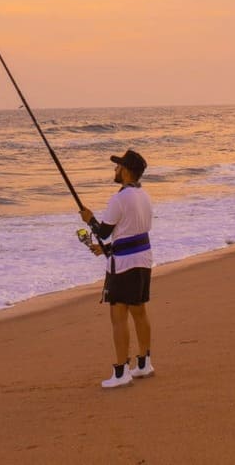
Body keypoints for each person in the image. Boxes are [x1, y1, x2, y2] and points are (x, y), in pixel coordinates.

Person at [80, 149, 154, 388]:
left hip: (123, 267)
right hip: (143, 260)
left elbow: (103, 232)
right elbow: (133, 233)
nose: (115, 170)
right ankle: (144, 364)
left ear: (127, 171)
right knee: (139, 312)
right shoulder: (144, 196)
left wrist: (89, 219)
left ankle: (121, 372)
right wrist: (108, 249)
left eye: (118, 166)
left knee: (118, 317)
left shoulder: (119, 199)